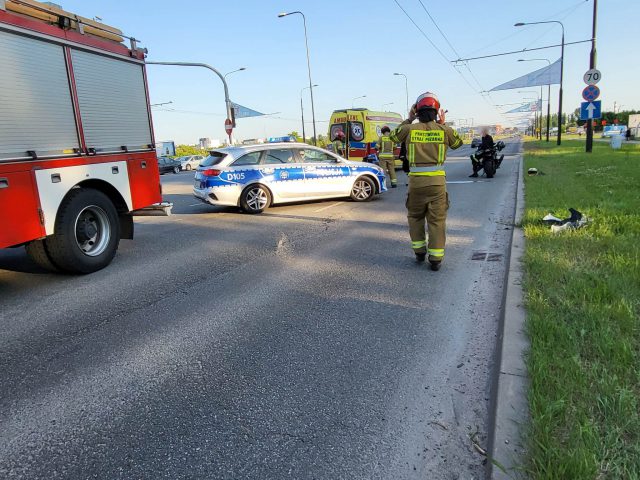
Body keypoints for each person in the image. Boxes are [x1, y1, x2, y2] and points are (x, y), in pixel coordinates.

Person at [390, 92, 463, 271]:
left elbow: (392, 137)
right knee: (437, 220)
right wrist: (443, 124)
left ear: (417, 111)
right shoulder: (443, 130)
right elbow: (458, 144)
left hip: (416, 183)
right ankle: (436, 259)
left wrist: (408, 120)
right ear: (437, 112)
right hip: (437, 184)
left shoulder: (409, 129)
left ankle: (420, 251)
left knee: (415, 217)